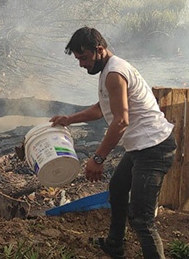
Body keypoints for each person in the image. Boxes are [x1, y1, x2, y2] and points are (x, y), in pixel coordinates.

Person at [49, 27, 177, 259]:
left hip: (153, 148)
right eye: (78, 59)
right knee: (117, 189)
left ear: (99, 50)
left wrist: (97, 158)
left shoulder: (114, 74)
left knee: (142, 218)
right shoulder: (109, 70)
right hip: (141, 147)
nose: (81, 64)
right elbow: (101, 108)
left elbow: (120, 121)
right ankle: (115, 245)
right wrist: (69, 119)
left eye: (84, 58)